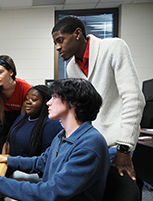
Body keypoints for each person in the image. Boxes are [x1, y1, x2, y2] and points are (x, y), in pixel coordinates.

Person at [0, 78, 110, 201]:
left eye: (54, 97)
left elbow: (50, 193)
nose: (48, 102)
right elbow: (40, 162)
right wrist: (5, 159)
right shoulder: (63, 135)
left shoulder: (89, 145)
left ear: (73, 103)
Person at [51, 15, 145, 180]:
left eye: (61, 40)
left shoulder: (113, 47)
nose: (58, 47)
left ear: (77, 33)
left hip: (118, 140)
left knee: (112, 193)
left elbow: (134, 98)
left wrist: (124, 148)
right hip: (94, 142)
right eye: (55, 43)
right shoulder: (72, 69)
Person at [2, 85, 62, 181]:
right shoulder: (21, 118)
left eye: (33, 99)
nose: (28, 102)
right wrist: (2, 161)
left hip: (32, 172)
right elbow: (7, 143)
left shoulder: (51, 124)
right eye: (26, 99)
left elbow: (47, 161)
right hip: (13, 165)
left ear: (45, 103)